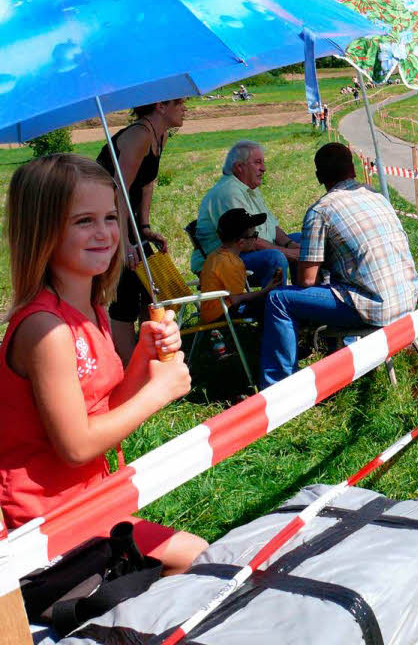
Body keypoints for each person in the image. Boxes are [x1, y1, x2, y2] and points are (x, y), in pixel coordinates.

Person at [0, 154, 206, 574]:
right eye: (83, 221)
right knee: (199, 564)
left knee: (200, 561)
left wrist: (143, 359)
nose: (104, 233)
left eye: (111, 217)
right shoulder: (46, 329)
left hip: (89, 503)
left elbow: (101, 411)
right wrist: (157, 392)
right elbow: (76, 446)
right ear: (43, 232)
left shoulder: (91, 309)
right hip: (45, 528)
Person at [259, 143, 418, 387]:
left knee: (278, 300)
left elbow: (307, 280)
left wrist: (292, 254)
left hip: (376, 307)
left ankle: (278, 387)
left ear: (318, 176)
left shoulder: (320, 211)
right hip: (408, 296)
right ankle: (330, 349)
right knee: (327, 269)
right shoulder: (375, 195)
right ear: (353, 170)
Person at [97, 99, 184, 364]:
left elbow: (147, 183)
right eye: (180, 102)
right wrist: (122, 242)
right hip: (105, 216)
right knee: (124, 296)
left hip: (128, 221)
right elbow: (117, 191)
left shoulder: (160, 135)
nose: (185, 108)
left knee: (150, 291)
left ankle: (149, 360)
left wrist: (144, 227)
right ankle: (127, 367)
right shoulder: (138, 135)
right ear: (160, 105)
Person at [190, 141, 301, 285]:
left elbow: (272, 226)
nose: (264, 168)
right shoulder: (229, 192)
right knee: (276, 258)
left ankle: (304, 296)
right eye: (258, 162)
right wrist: (289, 253)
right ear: (239, 167)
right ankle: (275, 304)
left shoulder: (250, 189)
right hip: (225, 260)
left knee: (302, 239)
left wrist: (291, 244)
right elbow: (247, 240)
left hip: (248, 250)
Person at [198, 209, 282, 324]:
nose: (256, 238)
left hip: (212, 311)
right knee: (272, 305)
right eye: (255, 235)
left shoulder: (215, 256)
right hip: (220, 313)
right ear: (242, 242)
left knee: (266, 302)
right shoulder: (231, 262)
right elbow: (236, 299)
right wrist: (265, 291)